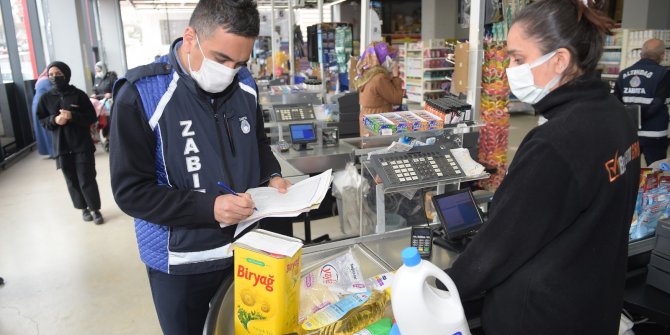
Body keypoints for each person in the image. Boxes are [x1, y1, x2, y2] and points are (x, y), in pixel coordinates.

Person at [443, 1, 640, 334]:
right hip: (593, 304)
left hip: (539, 316)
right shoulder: (616, 116)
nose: (510, 68)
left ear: (560, 60)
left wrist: (440, 289)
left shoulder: (556, 143)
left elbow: (498, 246)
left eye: (519, 58)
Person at [109, 1, 290, 334]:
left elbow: (258, 144)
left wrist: (272, 175)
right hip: (181, 264)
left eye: (240, 62)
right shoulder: (141, 95)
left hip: (247, 252)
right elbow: (131, 192)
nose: (229, 71)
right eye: (221, 58)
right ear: (189, 37)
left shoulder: (245, 85)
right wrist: (210, 208)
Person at [37, 61, 104, 225]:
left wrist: (72, 116)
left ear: (65, 74)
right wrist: (54, 119)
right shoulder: (45, 98)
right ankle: (83, 209)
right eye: (50, 74)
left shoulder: (79, 95)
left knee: (86, 178)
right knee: (72, 180)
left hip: (82, 145)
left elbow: (91, 117)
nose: (54, 77)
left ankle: (95, 209)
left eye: (57, 73)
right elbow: (42, 120)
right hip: (62, 147)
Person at [614, 38, 670, 165]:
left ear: (641, 54)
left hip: (630, 132)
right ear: (662, 56)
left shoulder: (624, 74)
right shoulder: (664, 74)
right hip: (655, 134)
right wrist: (640, 117)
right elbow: (658, 103)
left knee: (628, 171)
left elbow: (616, 102)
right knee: (656, 173)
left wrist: (632, 119)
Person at [354, 41, 403, 136]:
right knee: (379, 149)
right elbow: (396, 98)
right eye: (390, 57)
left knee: (369, 149)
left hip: (369, 119)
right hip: (378, 121)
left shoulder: (368, 74)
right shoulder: (379, 78)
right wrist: (396, 76)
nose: (392, 60)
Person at [32, 68, 54, 158]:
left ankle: (49, 151)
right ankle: (53, 151)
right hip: (43, 105)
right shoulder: (46, 81)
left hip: (37, 104)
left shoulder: (41, 80)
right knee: (48, 128)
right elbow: (54, 92)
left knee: (42, 129)